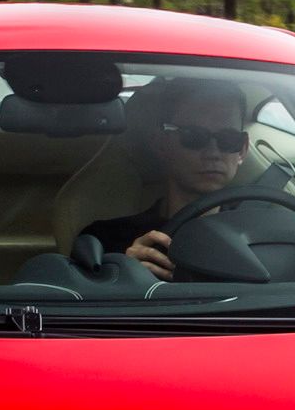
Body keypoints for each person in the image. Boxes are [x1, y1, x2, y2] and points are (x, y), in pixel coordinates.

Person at [81, 78, 253, 281]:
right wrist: (122, 274)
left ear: (242, 149)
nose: (213, 153)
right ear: (161, 143)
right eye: (194, 137)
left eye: (228, 139)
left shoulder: (264, 230)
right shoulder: (106, 241)